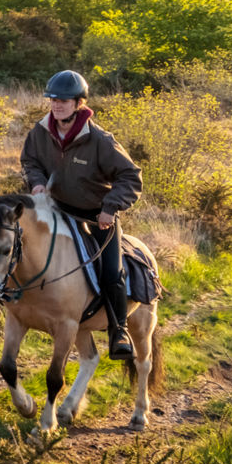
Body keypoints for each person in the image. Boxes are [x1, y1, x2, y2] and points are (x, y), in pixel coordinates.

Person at [20, 69, 144, 361]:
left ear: (79, 103)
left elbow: (131, 176)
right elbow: (30, 161)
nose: (57, 104)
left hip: (96, 217)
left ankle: (119, 330)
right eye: (53, 99)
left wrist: (109, 207)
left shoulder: (100, 139)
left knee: (111, 272)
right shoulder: (39, 132)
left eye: (64, 100)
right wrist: (36, 181)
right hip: (57, 212)